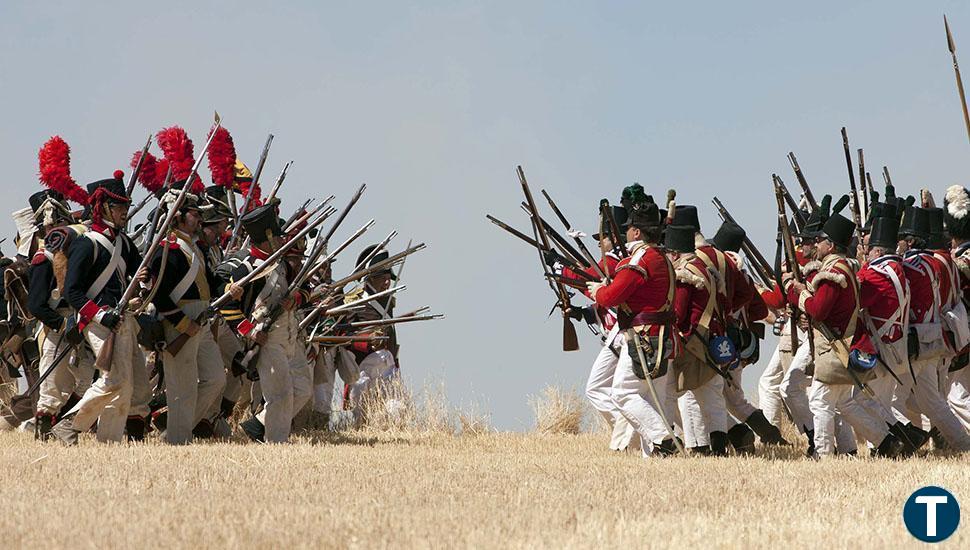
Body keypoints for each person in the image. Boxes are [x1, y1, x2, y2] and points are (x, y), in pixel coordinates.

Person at [53, 172, 149, 445]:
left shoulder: (124, 243)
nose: (124, 213)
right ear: (104, 207)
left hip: (124, 316)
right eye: (119, 207)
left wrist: (143, 285)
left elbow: (141, 273)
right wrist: (100, 314)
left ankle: (109, 441)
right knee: (114, 380)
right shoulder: (87, 243)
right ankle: (69, 423)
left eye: (125, 208)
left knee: (127, 386)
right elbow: (71, 292)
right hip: (98, 320)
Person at [587, 185, 677, 457]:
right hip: (660, 335)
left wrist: (597, 292)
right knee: (654, 399)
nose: (625, 232)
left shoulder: (641, 258)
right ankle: (657, 457)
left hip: (643, 336)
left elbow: (612, 296)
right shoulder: (661, 257)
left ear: (637, 232)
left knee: (623, 392)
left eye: (629, 228)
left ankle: (663, 438)